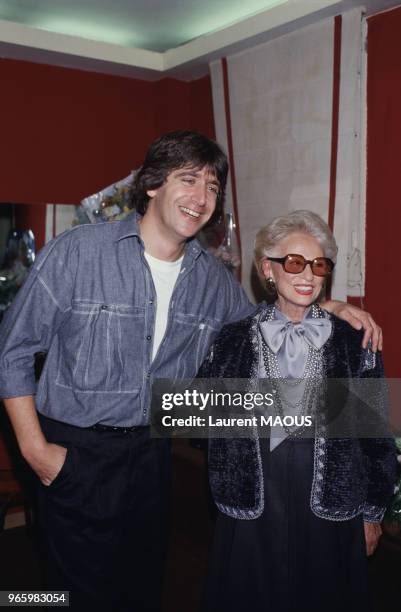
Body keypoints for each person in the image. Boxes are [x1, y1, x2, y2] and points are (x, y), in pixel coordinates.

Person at [0, 133, 383, 611]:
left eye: (213, 187)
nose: (202, 197)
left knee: (142, 586)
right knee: (65, 591)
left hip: (151, 456)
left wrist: (326, 302)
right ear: (154, 184)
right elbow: (11, 349)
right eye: (189, 179)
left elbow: (263, 322)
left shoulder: (212, 280)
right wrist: (35, 450)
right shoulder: (78, 251)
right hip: (76, 450)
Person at [199, 210, 396, 612]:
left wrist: (372, 512)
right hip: (255, 500)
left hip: (331, 505)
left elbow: (375, 435)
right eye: (293, 262)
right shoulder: (233, 339)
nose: (307, 274)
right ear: (267, 270)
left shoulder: (353, 342)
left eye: (319, 264)